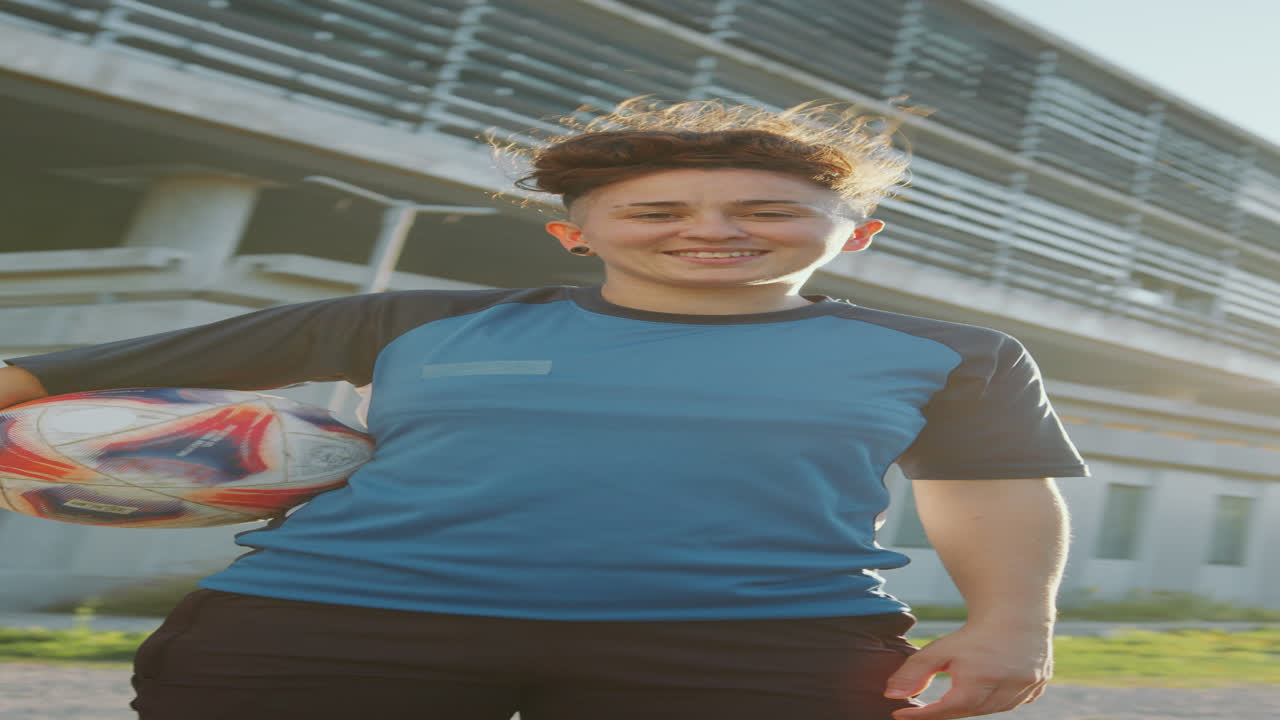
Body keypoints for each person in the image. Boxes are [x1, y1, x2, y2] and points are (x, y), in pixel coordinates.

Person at [0, 98, 1087, 720]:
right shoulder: (412, 321)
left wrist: (1010, 624)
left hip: (753, 649)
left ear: (852, 236)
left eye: (767, 209)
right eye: (655, 209)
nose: (708, 229)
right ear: (574, 234)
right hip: (336, 630)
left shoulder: (949, 353)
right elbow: (47, 376)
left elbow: (992, 498)